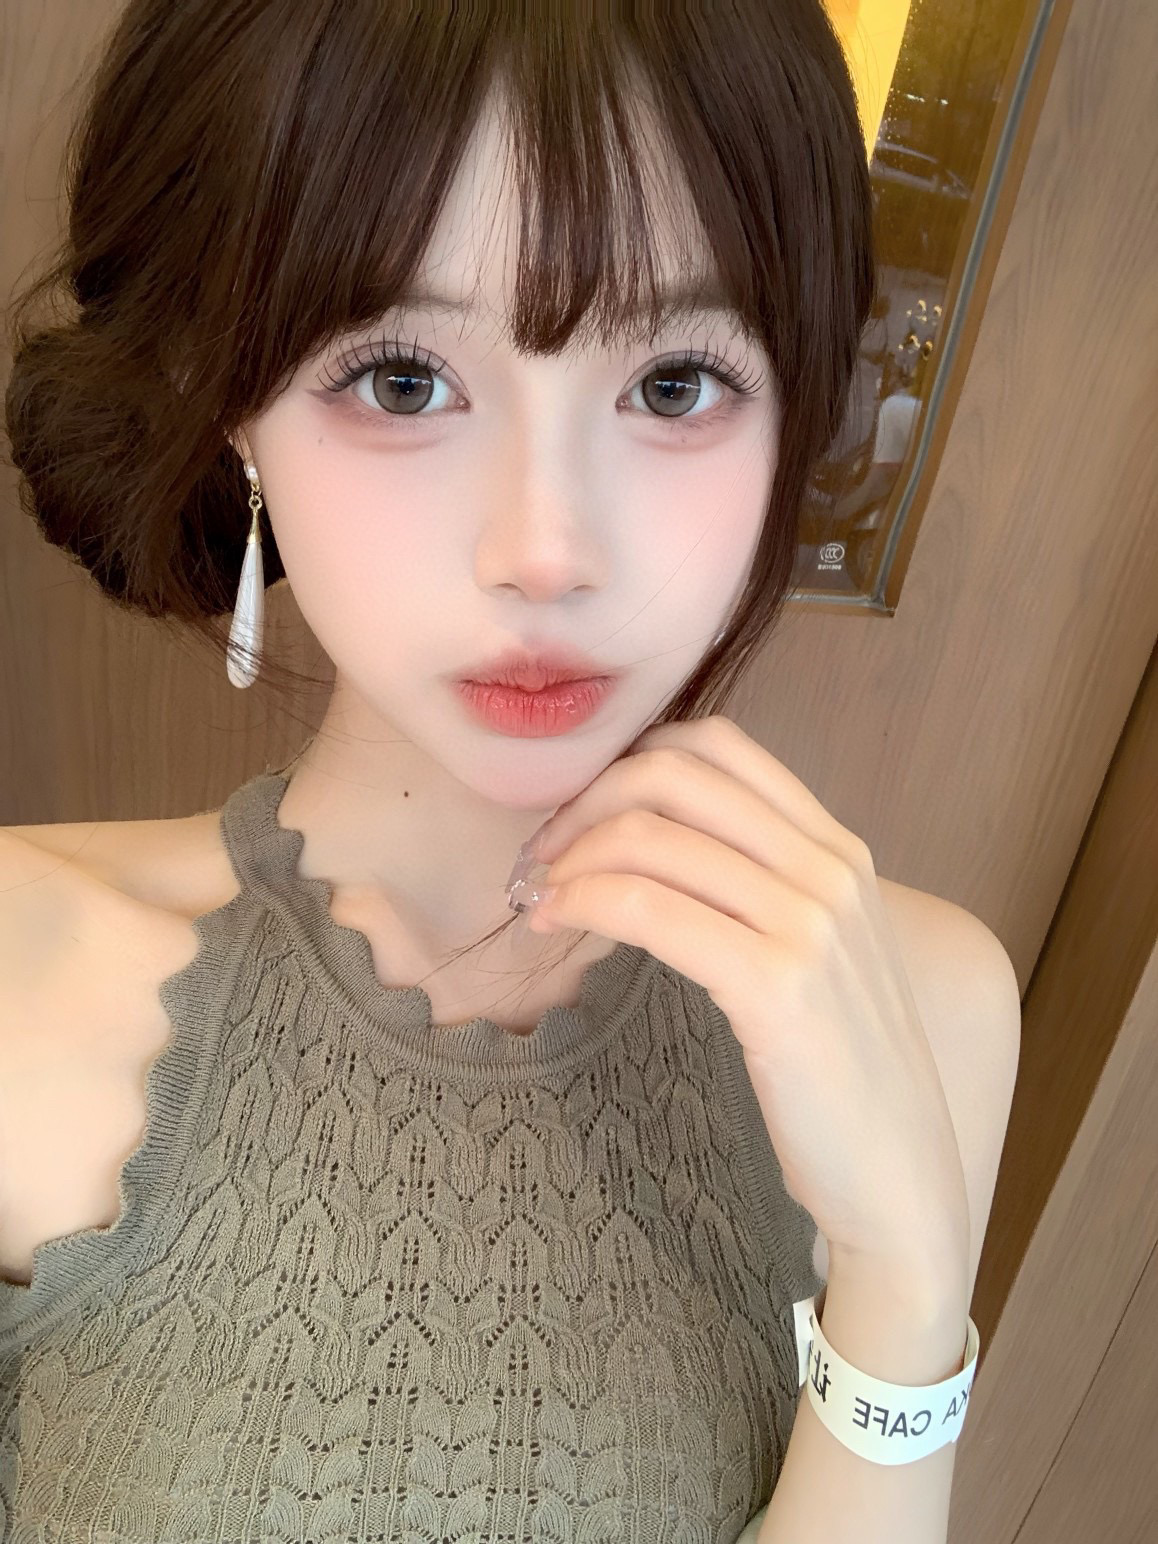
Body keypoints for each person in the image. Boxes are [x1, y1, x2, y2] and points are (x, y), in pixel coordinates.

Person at [0, 3, 998, 1539]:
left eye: (674, 384)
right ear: (226, 398)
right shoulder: (18, 965)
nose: (546, 549)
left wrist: (904, 1280)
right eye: (402, 381)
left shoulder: (925, 1004)